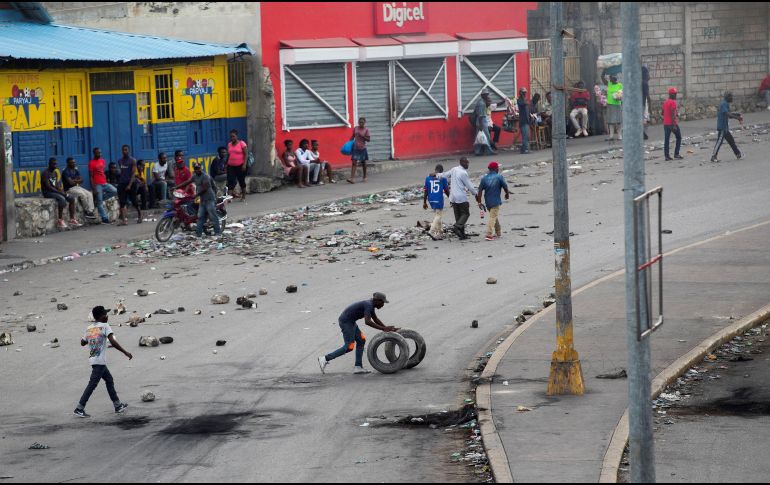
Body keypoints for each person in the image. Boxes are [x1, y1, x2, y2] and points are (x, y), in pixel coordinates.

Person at [318, 293, 399, 375]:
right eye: (382, 302)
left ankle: (358, 367)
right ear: (377, 301)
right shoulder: (368, 305)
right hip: (346, 322)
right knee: (349, 346)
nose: (383, 305)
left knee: (361, 340)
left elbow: (375, 319)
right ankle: (325, 358)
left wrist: (386, 328)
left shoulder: (371, 305)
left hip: (351, 321)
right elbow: (368, 322)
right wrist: (383, 328)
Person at [74, 305, 132, 418]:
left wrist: (92, 338)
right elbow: (113, 342)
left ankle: (118, 405)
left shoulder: (89, 328)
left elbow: (82, 342)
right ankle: (79, 408)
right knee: (92, 384)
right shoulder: (105, 326)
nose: (107, 316)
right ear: (101, 316)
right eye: (105, 314)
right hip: (99, 361)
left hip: (94, 360)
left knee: (109, 380)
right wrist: (125, 352)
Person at [435, 157, 478, 240]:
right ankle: (456, 227)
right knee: (465, 214)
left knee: (458, 216)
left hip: (453, 197)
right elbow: (469, 186)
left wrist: (437, 174)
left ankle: (461, 234)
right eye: (466, 163)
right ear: (461, 162)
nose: (467, 164)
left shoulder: (454, 169)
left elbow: (443, 175)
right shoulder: (463, 173)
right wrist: (475, 194)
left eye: (468, 163)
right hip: (461, 196)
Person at [477, 162, 510, 241]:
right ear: (495, 169)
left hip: (488, 202)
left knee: (494, 216)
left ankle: (498, 232)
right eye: (497, 167)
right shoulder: (499, 177)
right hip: (495, 201)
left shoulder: (484, 179)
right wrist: (507, 194)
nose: (498, 169)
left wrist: (479, 202)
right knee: (493, 217)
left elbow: (480, 191)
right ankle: (489, 234)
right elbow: (505, 186)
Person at [42, 157, 79, 230]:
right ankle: (60, 220)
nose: (55, 166)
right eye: (53, 164)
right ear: (49, 164)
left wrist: (61, 190)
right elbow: (49, 187)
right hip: (47, 192)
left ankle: (72, 219)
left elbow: (56, 184)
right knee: (62, 199)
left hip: (55, 191)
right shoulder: (45, 173)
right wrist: (60, 193)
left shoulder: (55, 172)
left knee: (71, 198)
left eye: (56, 164)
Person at [711, 91, 744, 163]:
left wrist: (737, 114)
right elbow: (728, 114)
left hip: (725, 128)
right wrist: (737, 118)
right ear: (727, 97)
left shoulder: (726, 104)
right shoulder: (723, 104)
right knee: (719, 142)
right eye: (731, 96)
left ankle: (738, 154)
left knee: (731, 141)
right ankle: (713, 156)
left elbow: (729, 115)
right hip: (722, 127)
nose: (732, 98)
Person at [61, 157, 97, 222]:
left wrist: (74, 180)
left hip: (77, 187)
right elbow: (70, 182)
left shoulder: (75, 170)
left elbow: (82, 180)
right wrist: (77, 180)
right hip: (69, 189)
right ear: (68, 163)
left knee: (89, 194)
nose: (74, 164)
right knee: (82, 194)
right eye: (72, 163)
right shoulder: (65, 171)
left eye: (74, 162)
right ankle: (87, 211)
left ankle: (91, 211)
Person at [191, 162, 221, 238]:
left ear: (201, 168)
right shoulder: (195, 176)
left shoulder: (205, 176)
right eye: (195, 169)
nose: (197, 170)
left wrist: (196, 195)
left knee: (213, 216)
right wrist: (176, 187)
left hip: (209, 199)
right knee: (200, 216)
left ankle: (218, 232)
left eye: (198, 168)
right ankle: (198, 234)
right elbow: (187, 182)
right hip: (202, 199)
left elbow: (205, 188)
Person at [88, 148, 117, 224]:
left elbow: (102, 171)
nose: (99, 154)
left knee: (115, 191)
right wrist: (93, 188)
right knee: (100, 203)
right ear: (94, 153)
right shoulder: (91, 163)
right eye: (97, 153)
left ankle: (99, 200)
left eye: (100, 153)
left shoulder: (102, 161)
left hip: (104, 183)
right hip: (97, 184)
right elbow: (90, 176)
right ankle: (105, 219)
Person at [423, 163, 450, 240]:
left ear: (435, 170)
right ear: (441, 171)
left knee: (437, 214)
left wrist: (424, 202)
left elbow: (425, 191)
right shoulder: (443, 178)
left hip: (431, 199)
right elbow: (446, 190)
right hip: (438, 199)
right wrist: (451, 199)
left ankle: (440, 232)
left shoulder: (428, 178)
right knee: (438, 215)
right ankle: (431, 231)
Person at [116, 145, 141, 226]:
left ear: (129, 151)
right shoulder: (120, 161)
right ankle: (124, 220)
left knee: (134, 201)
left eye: (126, 150)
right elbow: (121, 172)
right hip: (122, 183)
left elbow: (133, 174)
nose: (124, 151)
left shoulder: (132, 160)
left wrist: (130, 185)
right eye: (123, 150)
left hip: (131, 183)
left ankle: (140, 215)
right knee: (122, 202)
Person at [226, 129, 248, 201]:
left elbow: (246, 154)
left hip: (240, 166)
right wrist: (226, 164)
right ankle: (229, 197)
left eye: (233, 136)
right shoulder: (229, 144)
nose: (232, 138)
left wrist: (244, 164)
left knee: (241, 180)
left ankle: (243, 196)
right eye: (231, 137)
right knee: (230, 180)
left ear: (236, 136)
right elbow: (229, 155)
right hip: (231, 166)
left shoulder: (242, 143)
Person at [662, 88, 683, 161]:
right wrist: (674, 124)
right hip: (672, 124)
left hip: (665, 124)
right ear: (671, 94)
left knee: (666, 140)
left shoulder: (665, 102)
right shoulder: (673, 102)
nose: (676, 95)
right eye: (675, 94)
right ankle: (676, 154)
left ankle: (666, 156)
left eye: (676, 93)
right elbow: (673, 114)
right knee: (679, 137)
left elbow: (662, 112)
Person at [348, 117, 370, 184]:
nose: (361, 124)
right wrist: (349, 143)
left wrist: (362, 136)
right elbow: (353, 136)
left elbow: (368, 140)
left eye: (362, 122)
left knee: (363, 163)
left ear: (364, 123)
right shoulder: (356, 128)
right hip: (355, 148)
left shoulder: (366, 130)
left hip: (362, 148)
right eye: (360, 122)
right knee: (354, 162)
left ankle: (365, 176)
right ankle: (352, 178)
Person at [602, 73, 623, 141]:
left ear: (615, 78)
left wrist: (619, 97)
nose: (610, 79)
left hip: (617, 104)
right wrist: (604, 72)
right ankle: (611, 136)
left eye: (612, 78)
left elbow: (622, 94)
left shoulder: (620, 85)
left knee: (619, 120)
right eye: (610, 78)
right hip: (610, 104)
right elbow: (602, 78)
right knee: (611, 121)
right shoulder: (609, 84)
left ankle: (619, 135)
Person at [473, 90, 494, 156]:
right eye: (485, 94)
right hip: (481, 122)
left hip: (480, 121)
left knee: (479, 137)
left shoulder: (481, 102)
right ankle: (489, 151)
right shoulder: (482, 104)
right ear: (482, 95)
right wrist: (481, 125)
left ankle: (477, 151)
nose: (487, 95)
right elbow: (480, 115)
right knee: (486, 136)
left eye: (487, 94)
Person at [517, 88, 531, 154]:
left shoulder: (524, 100)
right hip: (523, 121)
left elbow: (527, 104)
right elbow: (525, 103)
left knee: (526, 136)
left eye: (525, 92)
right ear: (521, 93)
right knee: (525, 136)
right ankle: (525, 149)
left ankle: (523, 149)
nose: (525, 94)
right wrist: (522, 96)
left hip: (526, 120)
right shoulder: (519, 100)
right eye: (523, 92)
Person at [642, 65, 651, 140]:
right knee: (645, 120)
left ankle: (643, 132)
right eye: (648, 73)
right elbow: (647, 96)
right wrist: (650, 107)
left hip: (639, 104)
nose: (649, 75)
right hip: (643, 104)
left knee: (643, 119)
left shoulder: (638, 82)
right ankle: (643, 132)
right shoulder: (645, 83)